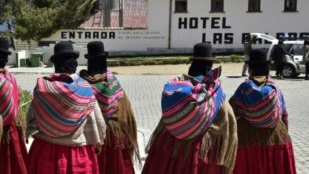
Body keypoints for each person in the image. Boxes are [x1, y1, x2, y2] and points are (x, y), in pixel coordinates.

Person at [142, 42, 237, 174]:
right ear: (210, 66)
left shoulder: (176, 90)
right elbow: (228, 126)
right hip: (201, 156)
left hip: (170, 152)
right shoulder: (216, 96)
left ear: (192, 64)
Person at [26, 41, 106, 174]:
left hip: (45, 150)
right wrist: (98, 141)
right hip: (77, 152)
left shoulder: (42, 88)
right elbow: (98, 122)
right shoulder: (84, 89)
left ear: (56, 65)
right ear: (74, 65)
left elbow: (32, 117)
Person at [230, 49, 296, 173]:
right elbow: (284, 115)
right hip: (275, 137)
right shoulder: (275, 88)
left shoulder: (243, 89)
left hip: (248, 139)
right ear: (267, 68)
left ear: (250, 69)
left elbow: (232, 112)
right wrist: (283, 133)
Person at [79, 41, 139, 173]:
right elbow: (126, 111)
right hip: (114, 137)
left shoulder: (80, 83)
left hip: (90, 136)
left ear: (89, 61)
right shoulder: (113, 81)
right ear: (104, 60)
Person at [0, 37, 28, 174]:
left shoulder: (7, 76)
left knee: (12, 163)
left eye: (6, 56)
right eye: (2, 56)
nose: (5, 60)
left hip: (9, 129)